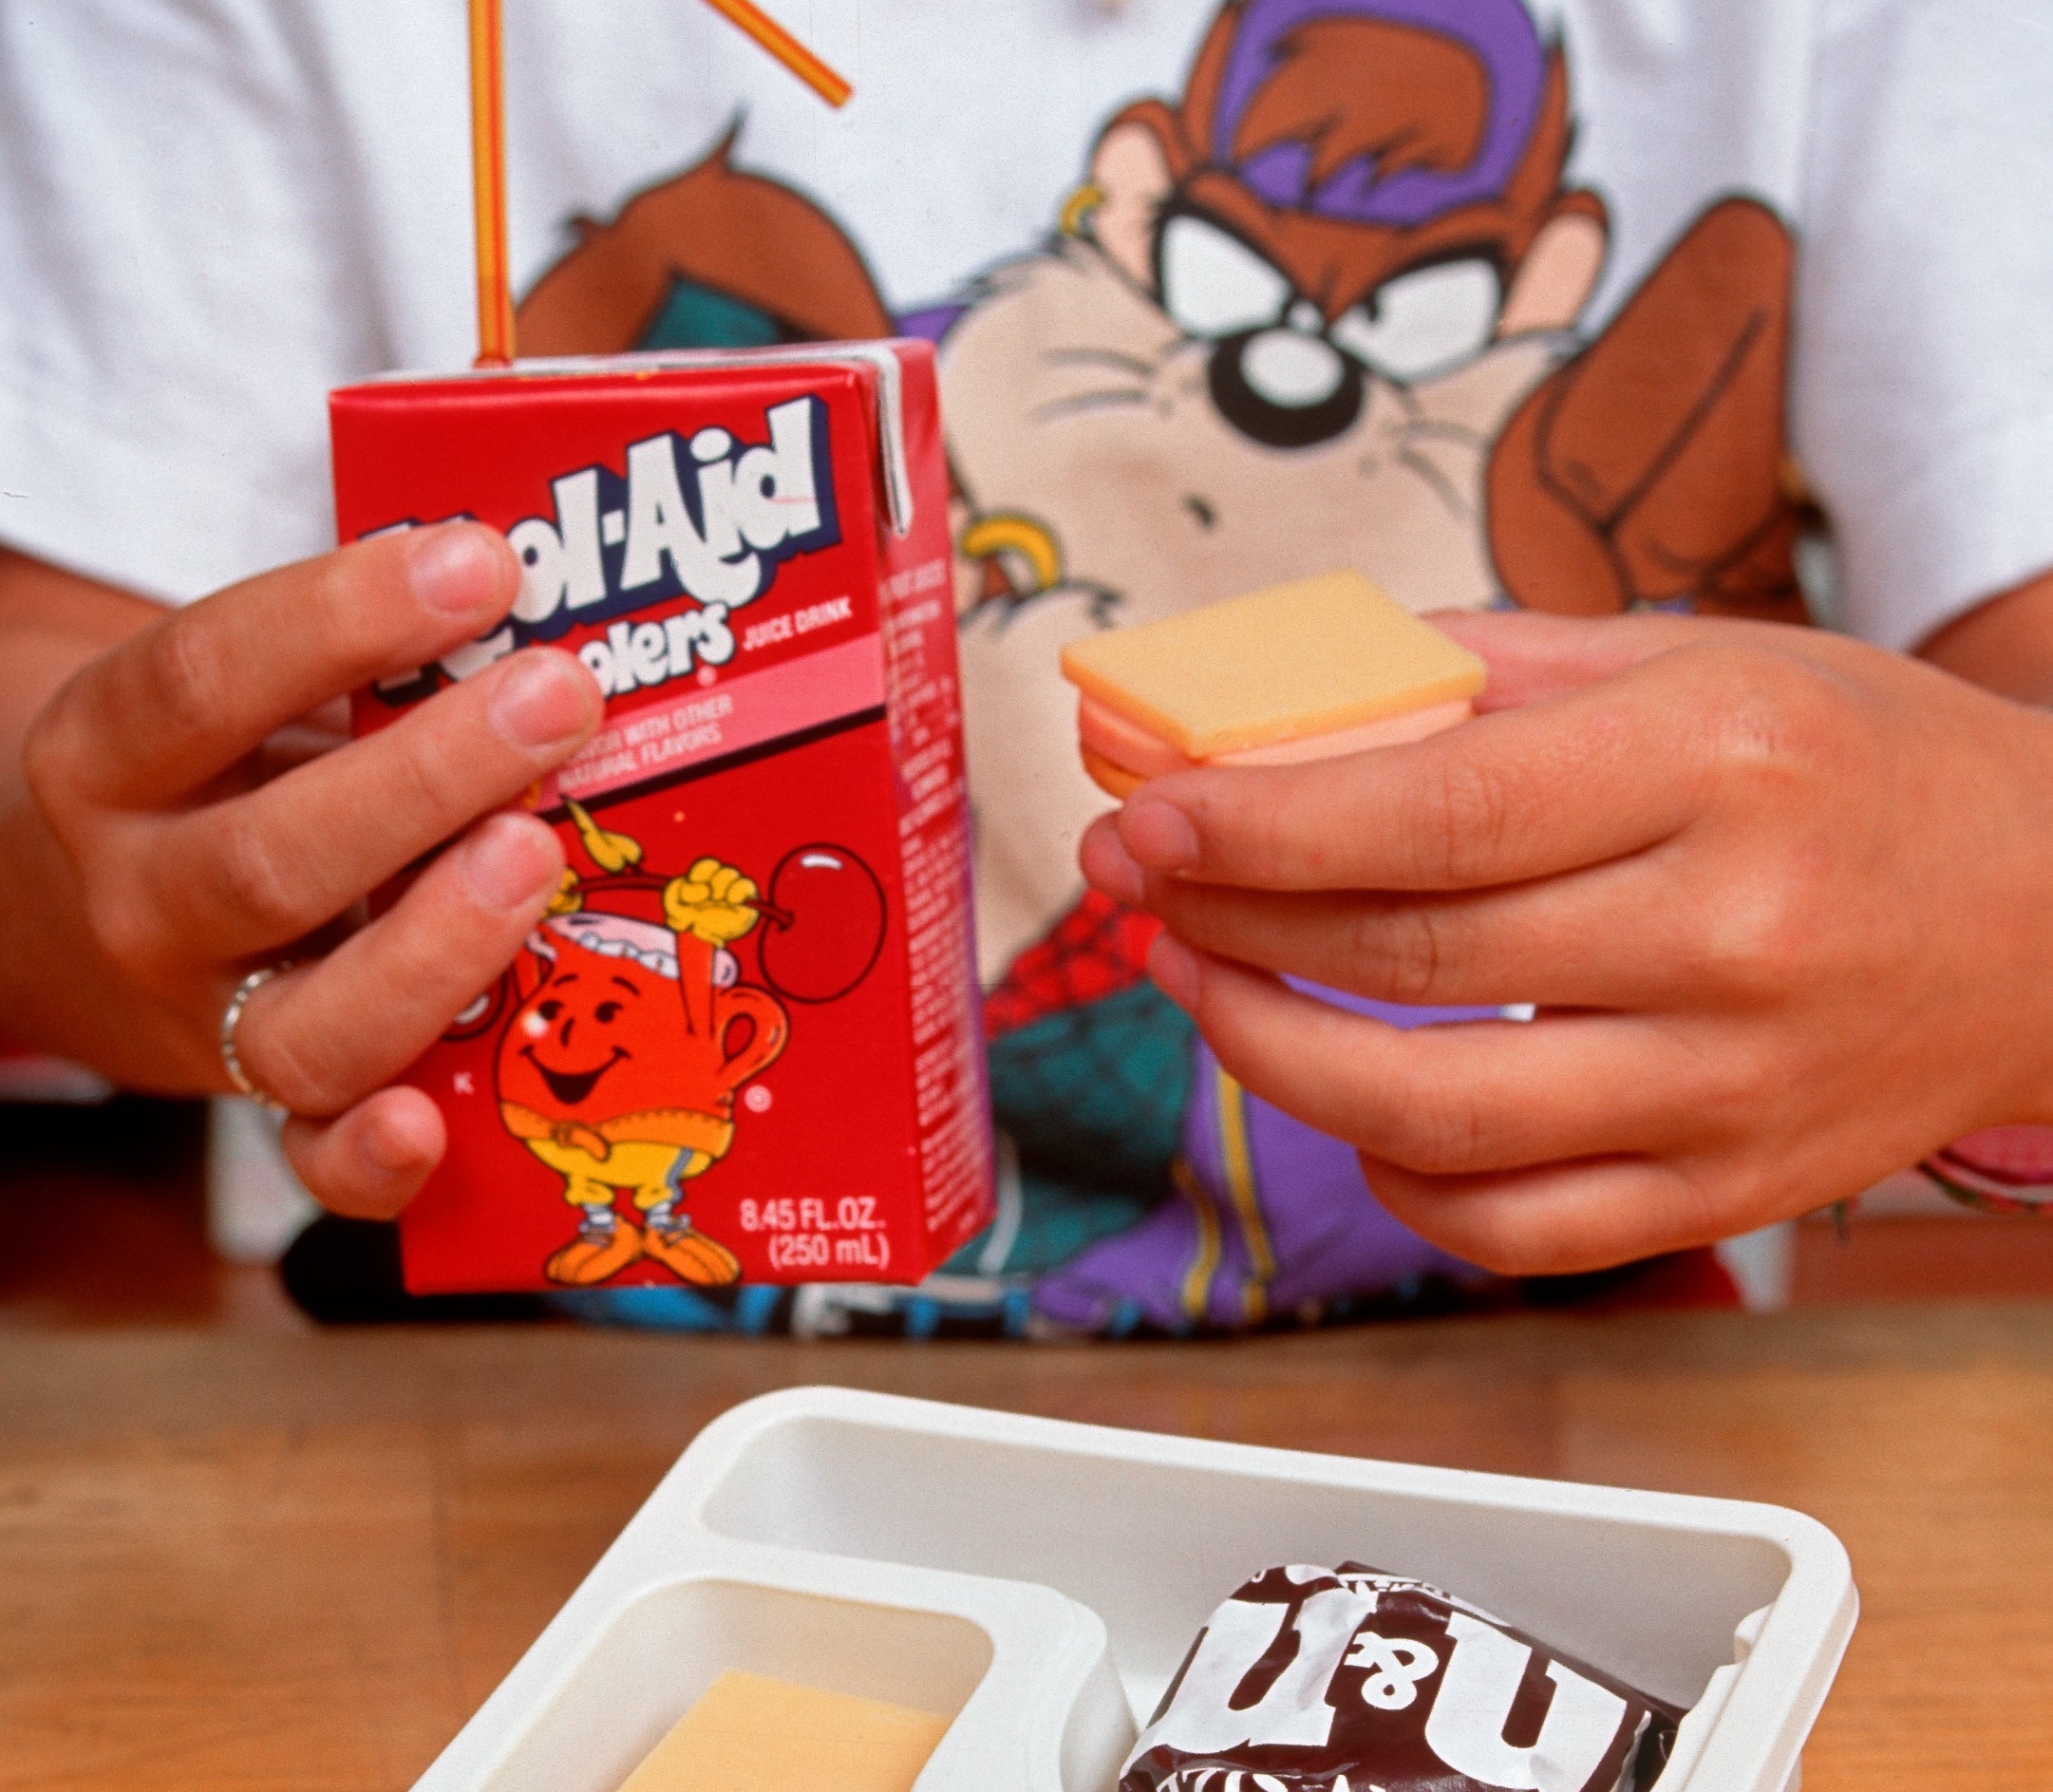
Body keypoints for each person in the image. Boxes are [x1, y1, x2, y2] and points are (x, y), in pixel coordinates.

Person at [4, 0, 2051, 1325]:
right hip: (546, 1405)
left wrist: (2008, 916)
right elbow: (51, 737)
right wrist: (154, 893)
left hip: (1561, 1397)